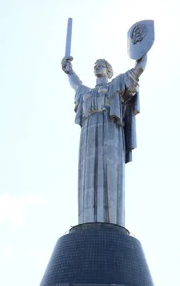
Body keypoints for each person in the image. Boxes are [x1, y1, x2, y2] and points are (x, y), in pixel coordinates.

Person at [61, 54, 148, 227]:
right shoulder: (86, 93)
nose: (96, 66)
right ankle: (88, 222)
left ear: (108, 70)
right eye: (95, 65)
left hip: (110, 130)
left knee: (110, 172)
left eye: (100, 65)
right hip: (88, 135)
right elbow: (75, 83)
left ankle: (111, 221)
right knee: (89, 175)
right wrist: (69, 71)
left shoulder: (116, 85)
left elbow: (138, 70)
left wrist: (142, 50)